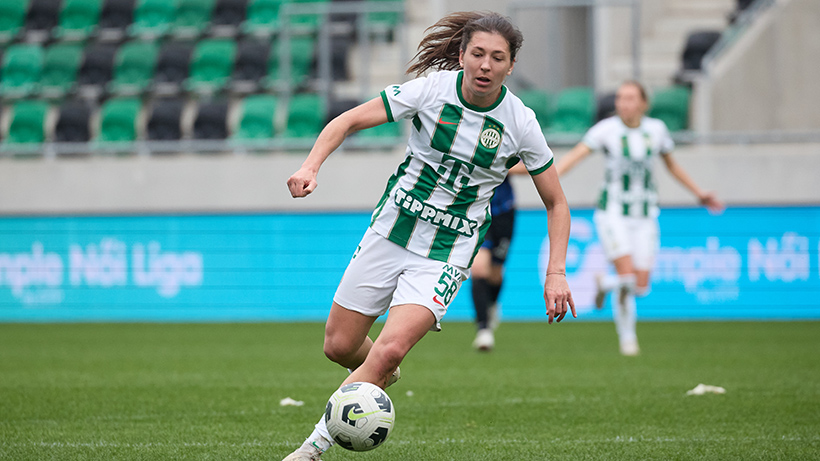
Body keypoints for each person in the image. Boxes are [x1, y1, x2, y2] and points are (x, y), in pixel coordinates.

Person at [283, 11, 575, 461]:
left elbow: (557, 202)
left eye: (497, 58)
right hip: (391, 230)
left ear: (510, 66)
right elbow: (347, 121)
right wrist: (310, 166)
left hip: (446, 252)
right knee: (339, 345)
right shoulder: (430, 91)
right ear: (462, 55)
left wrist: (556, 272)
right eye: (477, 53)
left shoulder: (520, 123)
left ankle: (311, 448)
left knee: (389, 350)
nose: (485, 65)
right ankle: (381, 369)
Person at [555, 81, 723, 356]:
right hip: (613, 213)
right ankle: (628, 339)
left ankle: (604, 284)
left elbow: (672, 166)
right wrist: (540, 173)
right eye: (620, 98)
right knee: (627, 276)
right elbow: (574, 157)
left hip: (645, 215)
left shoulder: (656, 130)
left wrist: (699, 193)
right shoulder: (606, 130)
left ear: (644, 103)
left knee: (640, 286)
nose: (624, 103)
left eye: (631, 98)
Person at [471, 176, 515, 351]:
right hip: (477, 210)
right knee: (479, 268)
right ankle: (483, 329)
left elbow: (525, 167)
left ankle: (492, 305)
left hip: (504, 212)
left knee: (496, 274)